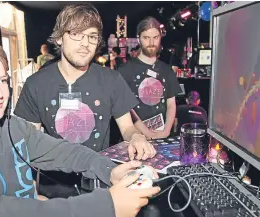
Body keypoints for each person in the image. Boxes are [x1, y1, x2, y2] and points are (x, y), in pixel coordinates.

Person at [0, 31, 161, 217]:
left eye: (3, 80)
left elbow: (65, 152)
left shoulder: (11, 127)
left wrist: (109, 171)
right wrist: (106, 206)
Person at [15, 4, 156, 159]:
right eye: (76, 34)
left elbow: (128, 127)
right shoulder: (35, 84)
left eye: (92, 36)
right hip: (53, 179)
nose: (85, 43)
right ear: (59, 38)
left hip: (101, 177)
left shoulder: (112, 80)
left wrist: (136, 137)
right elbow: (28, 143)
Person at [119, 17, 183, 140]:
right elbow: (126, 108)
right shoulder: (124, 71)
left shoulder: (167, 70)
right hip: (135, 137)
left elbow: (171, 104)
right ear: (139, 38)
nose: (151, 42)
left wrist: (166, 131)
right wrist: (146, 133)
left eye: (155, 37)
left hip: (162, 136)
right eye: (146, 38)